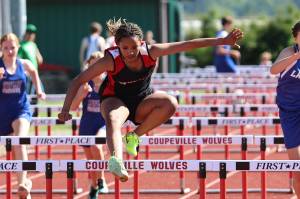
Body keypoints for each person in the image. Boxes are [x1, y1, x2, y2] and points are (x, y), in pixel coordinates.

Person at [58, 18, 243, 182]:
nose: (130, 52)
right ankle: (116, 160)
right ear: (117, 46)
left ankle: (134, 136)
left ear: (141, 43)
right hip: (114, 99)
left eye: (134, 47)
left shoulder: (151, 52)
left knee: (171, 103)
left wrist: (222, 41)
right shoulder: (110, 59)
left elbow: (187, 44)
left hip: (141, 101)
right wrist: (66, 109)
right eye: (125, 48)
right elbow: (78, 80)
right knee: (113, 119)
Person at [0, 33, 46, 198]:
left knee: (19, 141)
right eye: (6, 48)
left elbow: (34, 71)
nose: (10, 51)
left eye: (12, 47)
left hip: (21, 110)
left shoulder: (23, 64)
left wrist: (39, 89)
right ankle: (22, 181)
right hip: (2, 113)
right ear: (1, 49)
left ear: (18, 48)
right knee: (10, 146)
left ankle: (22, 183)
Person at [70, 51, 108, 197]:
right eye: (94, 65)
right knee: (91, 161)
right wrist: (81, 95)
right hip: (87, 124)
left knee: (96, 146)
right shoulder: (84, 83)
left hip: (103, 123)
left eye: (100, 64)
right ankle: (94, 187)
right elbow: (73, 107)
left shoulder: (110, 82)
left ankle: (101, 180)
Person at [270, 21, 300, 198]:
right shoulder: (289, 52)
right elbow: (273, 70)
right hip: (290, 113)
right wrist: (294, 58)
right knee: (297, 168)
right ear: (295, 38)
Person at [18, 24, 44, 94]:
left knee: (39, 92)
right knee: (28, 94)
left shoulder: (33, 45)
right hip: (27, 75)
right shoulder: (21, 46)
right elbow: (18, 60)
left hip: (34, 73)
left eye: (32, 33)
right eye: (29, 33)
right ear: (25, 33)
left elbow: (40, 60)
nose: (30, 35)